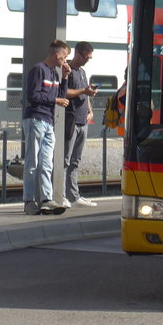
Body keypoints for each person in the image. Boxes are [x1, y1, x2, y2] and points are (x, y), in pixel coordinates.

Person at [22, 39, 70, 215]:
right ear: (57, 55)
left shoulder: (55, 74)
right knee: (32, 162)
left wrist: (65, 77)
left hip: (48, 122)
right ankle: (29, 201)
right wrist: (55, 100)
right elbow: (33, 95)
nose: (65, 61)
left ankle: (46, 199)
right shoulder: (39, 70)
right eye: (64, 58)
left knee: (46, 163)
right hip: (36, 119)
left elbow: (62, 97)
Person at [62, 41, 99, 207]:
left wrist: (90, 109)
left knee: (75, 161)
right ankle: (61, 194)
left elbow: (86, 93)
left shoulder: (83, 72)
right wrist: (84, 91)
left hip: (84, 120)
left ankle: (73, 196)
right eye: (86, 57)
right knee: (65, 160)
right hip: (71, 121)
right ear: (77, 53)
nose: (88, 60)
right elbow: (64, 92)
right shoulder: (67, 71)